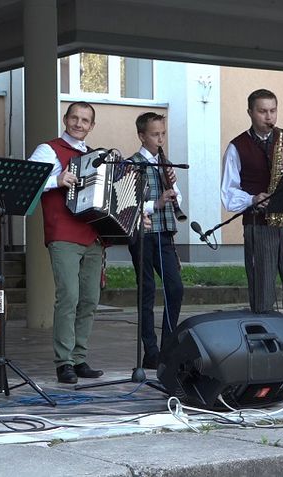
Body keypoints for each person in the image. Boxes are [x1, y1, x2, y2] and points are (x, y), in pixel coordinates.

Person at [221, 88, 283, 323]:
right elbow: (228, 194)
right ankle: (268, 338)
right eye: (263, 111)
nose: (269, 117)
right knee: (262, 284)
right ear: (250, 113)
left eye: (273, 111)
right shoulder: (237, 147)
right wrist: (252, 199)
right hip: (259, 224)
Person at [28, 101, 106, 384]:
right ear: (65, 119)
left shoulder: (97, 156)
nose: (79, 124)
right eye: (74, 118)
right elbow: (28, 182)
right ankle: (64, 363)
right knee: (69, 296)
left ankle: (79, 358)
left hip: (93, 235)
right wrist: (56, 179)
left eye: (85, 120)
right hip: (63, 233)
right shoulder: (48, 149)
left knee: (89, 299)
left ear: (91, 126)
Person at [128, 112, 184, 370]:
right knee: (147, 292)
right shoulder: (132, 164)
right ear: (142, 136)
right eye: (154, 134)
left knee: (175, 288)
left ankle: (169, 346)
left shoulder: (165, 163)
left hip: (165, 235)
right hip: (142, 235)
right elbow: (127, 203)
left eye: (163, 133)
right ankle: (150, 351)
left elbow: (178, 200)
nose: (160, 138)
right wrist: (156, 203)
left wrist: (173, 192)